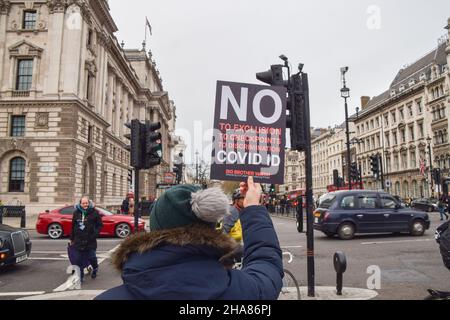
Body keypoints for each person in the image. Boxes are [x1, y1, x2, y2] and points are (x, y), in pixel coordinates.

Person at [95, 176, 283, 300]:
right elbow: (267, 264)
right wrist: (253, 208)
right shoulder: (242, 291)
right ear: (209, 227)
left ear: (154, 231)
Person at [70, 196, 103, 282]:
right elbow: (73, 226)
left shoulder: (94, 212)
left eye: (86, 203)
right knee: (78, 259)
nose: (85, 205)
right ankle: (81, 276)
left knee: (92, 258)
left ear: (89, 203)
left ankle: (95, 268)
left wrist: (95, 234)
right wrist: (72, 238)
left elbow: (100, 225)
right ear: (80, 204)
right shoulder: (76, 213)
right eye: (83, 203)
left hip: (90, 240)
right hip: (78, 240)